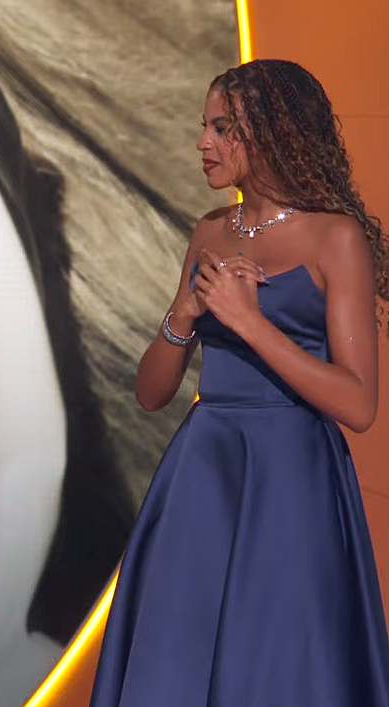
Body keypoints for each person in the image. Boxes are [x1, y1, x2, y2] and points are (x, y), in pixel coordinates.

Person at [91, 58, 389, 706]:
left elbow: (359, 402)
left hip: (292, 486)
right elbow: (150, 394)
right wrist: (184, 316)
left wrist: (249, 323)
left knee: (275, 669)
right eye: (205, 126)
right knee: (176, 665)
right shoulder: (208, 233)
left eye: (223, 128)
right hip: (204, 476)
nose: (203, 143)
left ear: (275, 134)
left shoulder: (334, 238)